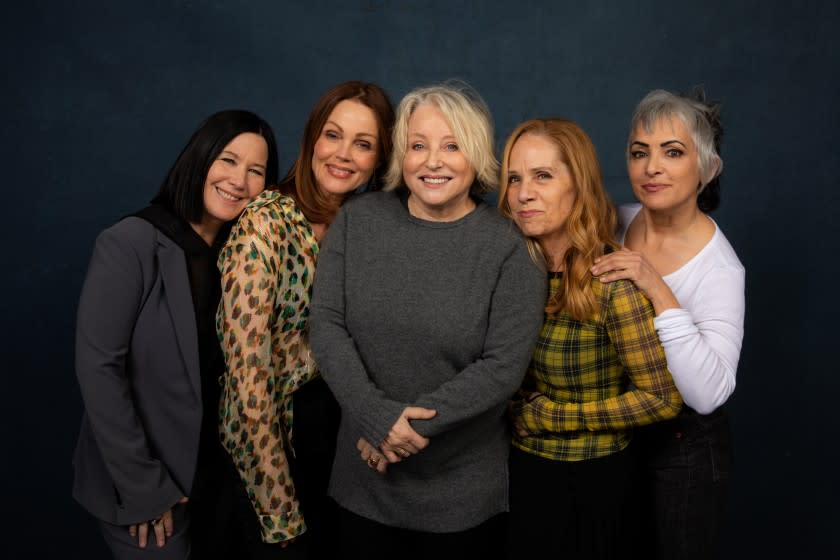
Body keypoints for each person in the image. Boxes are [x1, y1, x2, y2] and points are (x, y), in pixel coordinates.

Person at [308, 83, 545, 558]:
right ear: (401, 155)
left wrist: (404, 434)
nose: (433, 161)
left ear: (476, 155)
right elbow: (327, 326)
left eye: (452, 145)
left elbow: (501, 366)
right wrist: (377, 419)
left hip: (460, 497)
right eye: (419, 146)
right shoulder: (358, 221)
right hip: (362, 483)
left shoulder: (510, 245)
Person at [73, 109, 277, 559]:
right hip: (146, 487)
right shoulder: (130, 242)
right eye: (227, 160)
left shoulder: (243, 259)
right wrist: (143, 488)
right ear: (199, 158)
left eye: (256, 171)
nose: (239, 180)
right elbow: (98, 369)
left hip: (218, 484)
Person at [215, 81, 394, 559]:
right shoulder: (265, 223)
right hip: (269, 444)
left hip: (339, 444)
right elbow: (247, 376)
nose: (344, 155)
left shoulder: (367, 225)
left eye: (364, 144)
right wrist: (279, 509)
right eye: (333, 135)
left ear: (380, 158)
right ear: (313, 138)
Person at [499, 118, 683, 559]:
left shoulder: (611, 278)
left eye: (543, 176)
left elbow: (662, 399)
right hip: (523, 472)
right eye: (514, 178)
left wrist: (556, 417)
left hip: (599, 481)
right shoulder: (508, 273)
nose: (524, 193)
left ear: (577, 185)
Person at [590, 88, 744, 559]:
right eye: (640, 153)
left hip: (684, 453)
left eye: (672, 152)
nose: (651, 167)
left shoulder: (720, 268)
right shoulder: (616, 220)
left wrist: (656, 285)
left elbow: (708, 394)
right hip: (620, 432)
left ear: (706, 167)